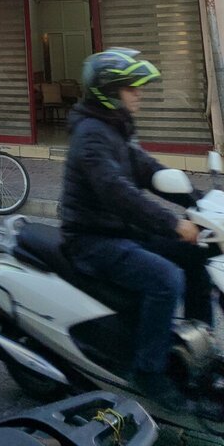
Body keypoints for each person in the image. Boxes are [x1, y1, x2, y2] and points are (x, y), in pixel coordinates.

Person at [60, 48, 212, 412]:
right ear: (109, 93)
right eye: (131, 87)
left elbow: (147, 169)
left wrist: (198, 201)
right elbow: (118, 193)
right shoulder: (91, 135)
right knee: (166, 278)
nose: (139, 93)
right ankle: (149, 370)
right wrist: (173, 223)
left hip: (121, 231)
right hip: (93, 239)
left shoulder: (114, 126)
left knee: (196, 253)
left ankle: (198, 343)